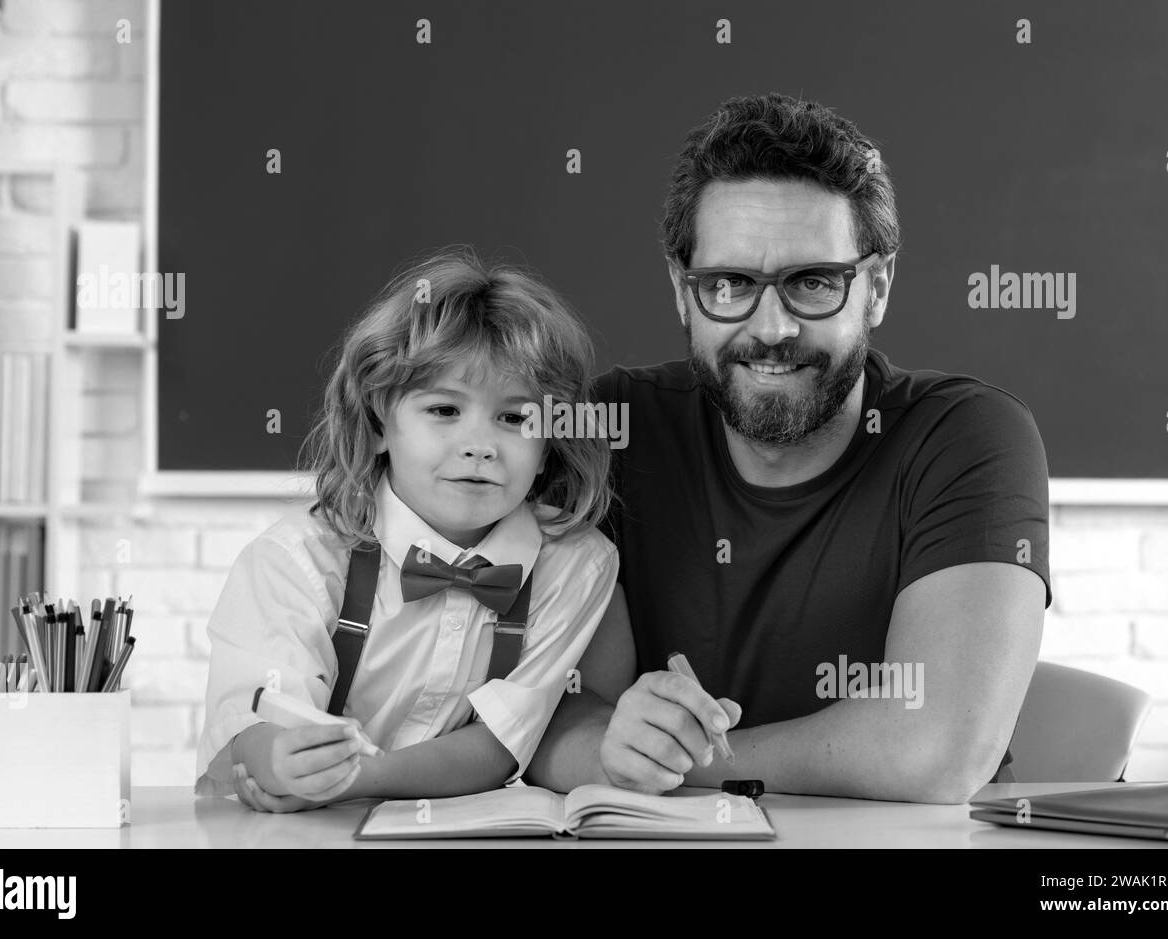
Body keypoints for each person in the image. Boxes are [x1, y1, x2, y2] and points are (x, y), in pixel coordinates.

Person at [527, 93, 1052, 804]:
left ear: (877, 287)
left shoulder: (969, 435)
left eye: (812, 282)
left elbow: (936, 751)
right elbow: (546, 719)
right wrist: (609, 744)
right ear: (683, 292)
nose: (771, 327)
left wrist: (669, 762)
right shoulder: (612, 426)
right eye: (730, 284)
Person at [194, 247, 618, 811]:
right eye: (444, 410)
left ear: (548, 448)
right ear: (377, 424)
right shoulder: (297, 560)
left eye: (515, 418)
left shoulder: (575, 563)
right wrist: (279, 762)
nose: (479, 445)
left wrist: (357, 780)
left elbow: (498, 745)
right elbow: (251, 720)